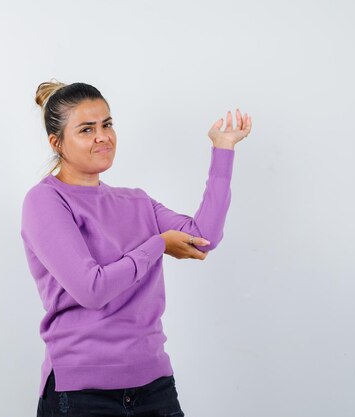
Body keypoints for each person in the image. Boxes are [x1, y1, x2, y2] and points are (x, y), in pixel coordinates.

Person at [20, 80, 252, 417]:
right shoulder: (45, 200)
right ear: (57, 142)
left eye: (107, 124)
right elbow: (92, 289)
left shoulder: (136, 201)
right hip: (83, 394)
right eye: (86, 129)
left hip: (154, 386)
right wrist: (157, 245)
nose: (103, 136)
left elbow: (204, 237)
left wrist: (224, 149)